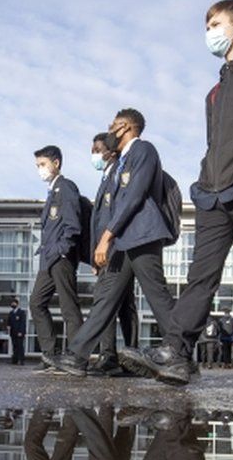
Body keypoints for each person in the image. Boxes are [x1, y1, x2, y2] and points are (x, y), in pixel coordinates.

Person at [119, 0, 233, 391]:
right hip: (214, 196)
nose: (209, 33)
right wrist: (203, 184)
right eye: (206, 27)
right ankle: (178, 355)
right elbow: (212, 145)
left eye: (215, 24)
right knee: (200, 277)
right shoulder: (215, 94)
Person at [51, 109, 177, 377]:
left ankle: (181, 354)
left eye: (113, 125)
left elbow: (133, 196)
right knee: (105, 298)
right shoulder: (122, 161)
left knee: (158, 296)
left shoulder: (143, 150)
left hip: (142, 236)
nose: (109, 129)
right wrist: (109, 241)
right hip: (123, 241)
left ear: (127, 127)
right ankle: (77, 357)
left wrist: (105, 238)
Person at [29, 145, 84, 372]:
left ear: (56, 163)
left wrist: (63, 249)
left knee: (69, 307)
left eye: (42, 164)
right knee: (36, 302)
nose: (40, 169)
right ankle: (50, 355)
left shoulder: (66, 188)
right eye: (37, 166)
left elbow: (73, 224)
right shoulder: (52, 192)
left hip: (61, 258)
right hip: (48, 259)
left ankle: (77, 357)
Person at [89, 132, 139, 376]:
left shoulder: (118, 176)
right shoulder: (104, 179)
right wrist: (94, 256)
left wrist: (109, 244)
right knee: (110, 302)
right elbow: (98, 222)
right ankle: (109, 356)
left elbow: (118, 215)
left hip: (118, 247)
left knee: (122, 304)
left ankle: (128, 356)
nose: (94, 155)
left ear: (111, 152)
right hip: (105, 253)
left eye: (97, 150)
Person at [8, 299, 27, 365]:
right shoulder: (11, 313)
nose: (12, 304)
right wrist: (8, 327)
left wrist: (21, 332)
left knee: (20, 346)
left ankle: (22, 360)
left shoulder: (21, 312)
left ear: (17, 304)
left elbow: (22, 323)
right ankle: (15, 360)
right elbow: (9, 322)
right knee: (15, 346)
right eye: (11, 303)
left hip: (19, 333)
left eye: (13, 303)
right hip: (13, 333)